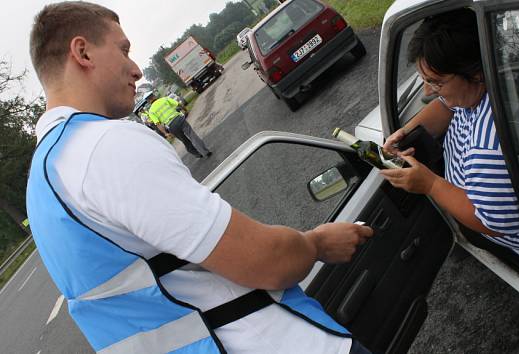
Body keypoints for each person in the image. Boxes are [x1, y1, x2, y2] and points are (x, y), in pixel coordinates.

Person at [26, 2, 373, 353]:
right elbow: (264, 260)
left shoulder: (44, 185)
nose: (135, 70)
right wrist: (316, 244)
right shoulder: (102, 146)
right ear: (82, 52)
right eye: (123, 50)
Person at [381, 9, 519, 260]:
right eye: (425, 80)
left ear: (475, 73)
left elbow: (491, 224)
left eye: (436, 82)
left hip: (505, 238)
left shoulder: (488, 149)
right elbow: (444, 105)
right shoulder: (495, 75)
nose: (427, 92)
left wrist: (430, 184)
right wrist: (405, 131)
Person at [147, 93, 211, 158]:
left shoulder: (151, 111)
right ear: (154, 96)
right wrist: (185, 109)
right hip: (179, 119)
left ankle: (197, 154)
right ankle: (205, 152)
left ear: (148, 101)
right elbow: (178, 104)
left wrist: (166, 133)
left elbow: (158, 124)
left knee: (185, 140)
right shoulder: (164, 99)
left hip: (171, 126)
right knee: (192, 135)